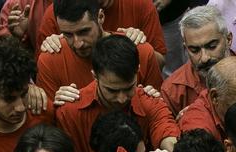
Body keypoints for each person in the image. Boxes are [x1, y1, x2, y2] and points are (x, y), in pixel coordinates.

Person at [55, 34, 180, 152]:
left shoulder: (150, 102)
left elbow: (167, 132)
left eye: (128, 88)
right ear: (95, 76)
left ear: (137, 71)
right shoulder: (69, 112)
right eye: (112, 90)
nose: (121, 99)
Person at [35, 0, 164, 101]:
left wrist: (148, 100)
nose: (78, 43)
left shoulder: (141, 52)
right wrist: (59, 109)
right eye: (67, 34)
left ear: (101, 17)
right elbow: (47, 124)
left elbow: (157, 113)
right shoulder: (49, 61)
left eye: (84, 31)